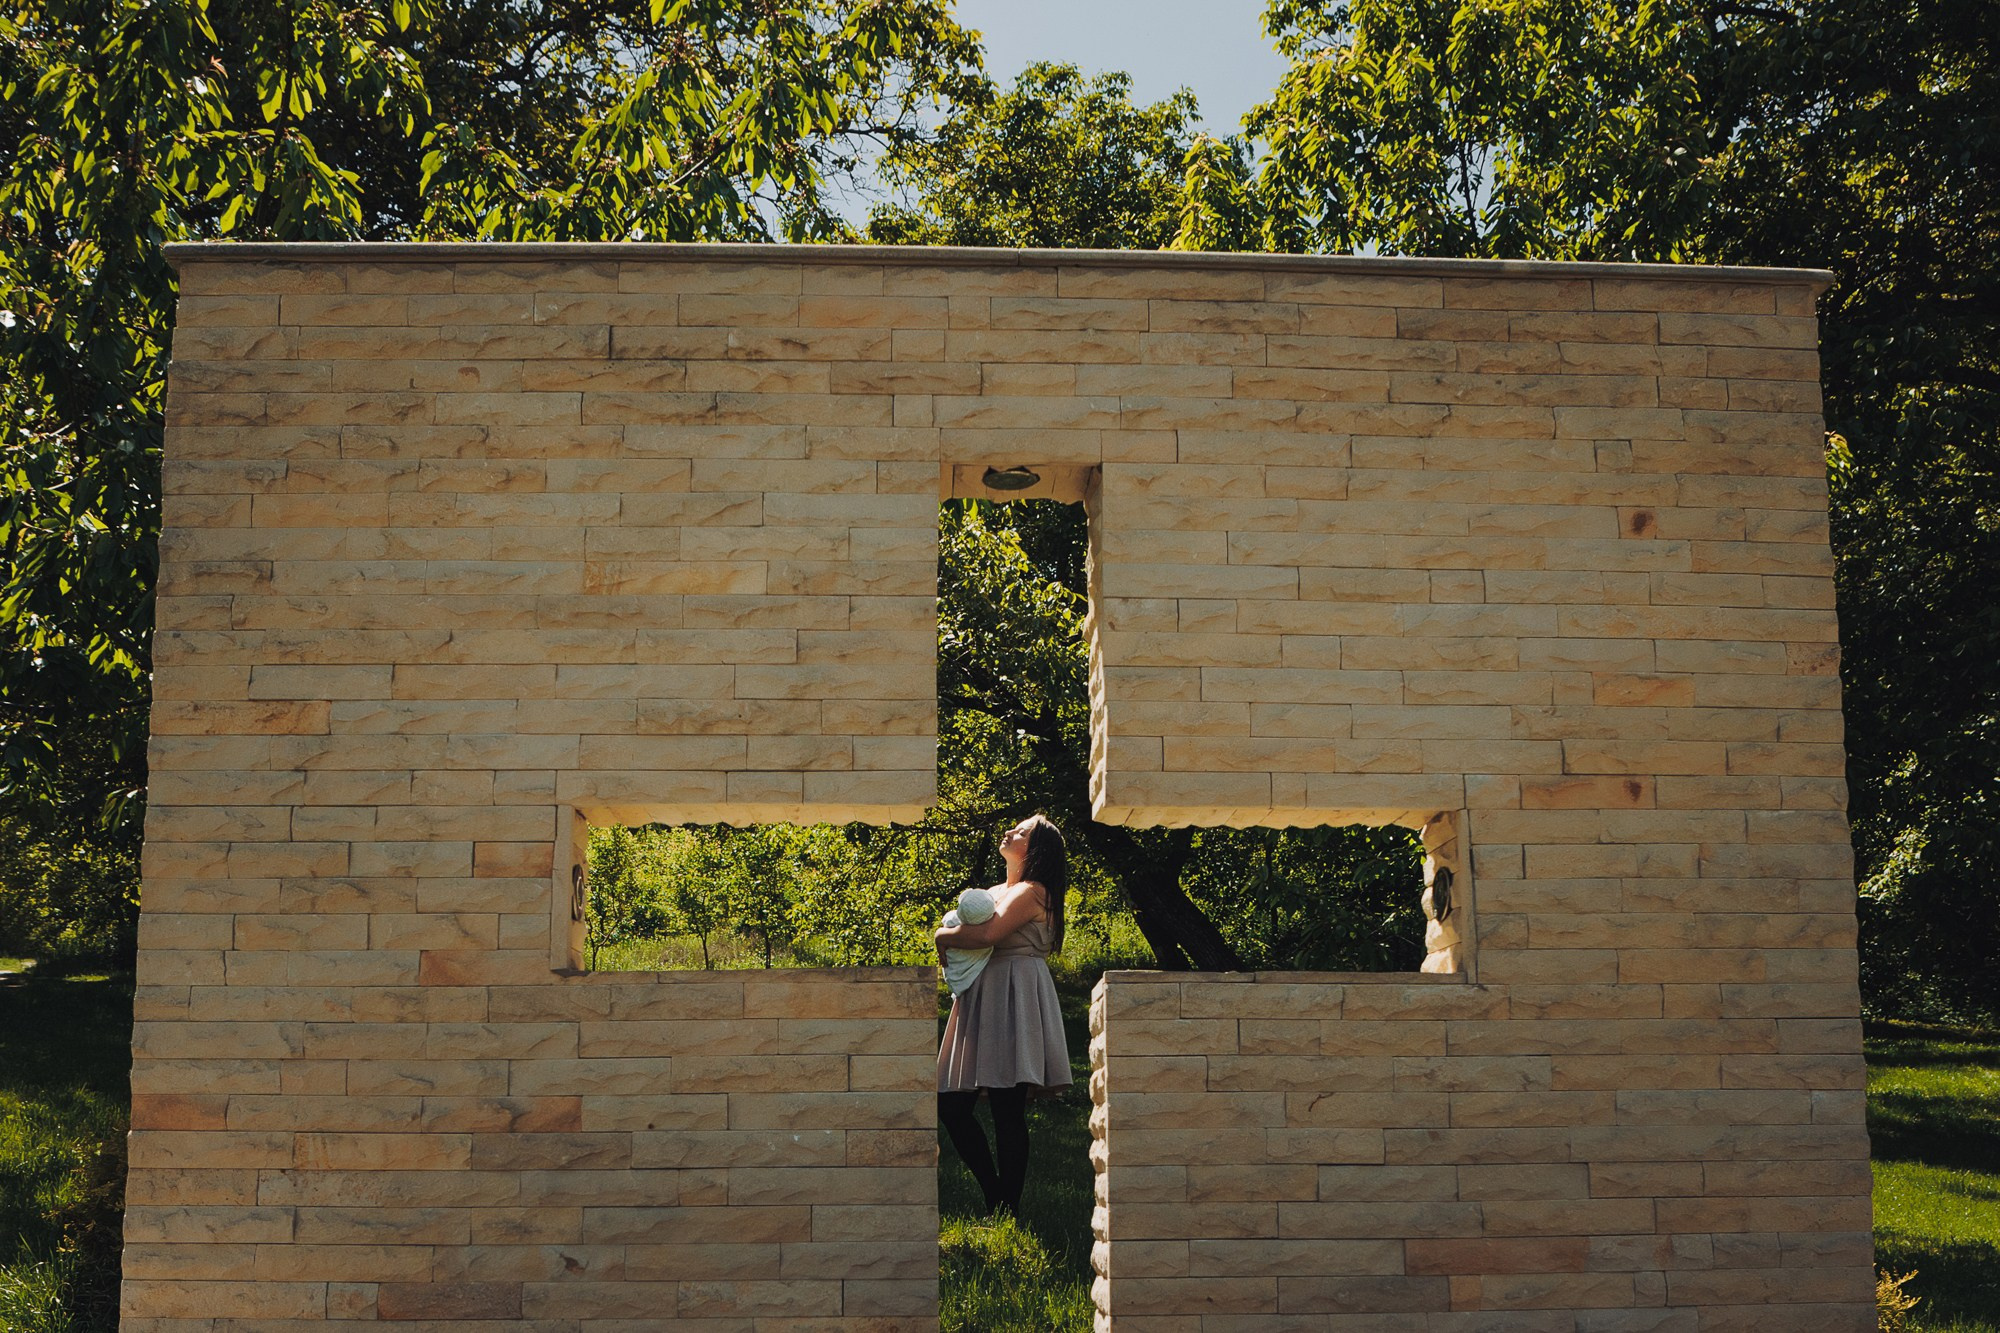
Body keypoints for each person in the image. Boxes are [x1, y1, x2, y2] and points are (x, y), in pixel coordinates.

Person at [933, 813, 1073, 1217]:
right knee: (951, 1106)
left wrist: (942, 936)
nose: (1010, 832)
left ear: (1036, 849)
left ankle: (1006, 1208)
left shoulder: (1034, 891)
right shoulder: (998, 891)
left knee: (1006, 1108)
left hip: (1016, 994)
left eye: (1022, 831)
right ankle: (995, 1195)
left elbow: (987, 934)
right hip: (985, 993)